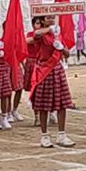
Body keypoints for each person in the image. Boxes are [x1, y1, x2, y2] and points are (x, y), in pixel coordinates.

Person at [30, 15, 75, 148]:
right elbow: (36, 34)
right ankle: (44, 136)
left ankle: (62, 134)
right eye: (48, 18)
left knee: (62, 103)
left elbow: (67, 54)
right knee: (44, 105)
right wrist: (49, 29)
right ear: (43, 21)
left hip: (57, 69)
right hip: (44, 71)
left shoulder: (58, 35)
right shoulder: (43, 34)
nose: (51, 20)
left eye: (52, 18)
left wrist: (61, 47)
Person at [25, 17, 41, 125]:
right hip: (32, 63)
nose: (38, 25)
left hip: (43, 63)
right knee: (34, 91)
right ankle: (36, 116)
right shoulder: (30, 34)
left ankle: (51, 112)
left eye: (40, 23)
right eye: (37, 23)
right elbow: (27, 41)